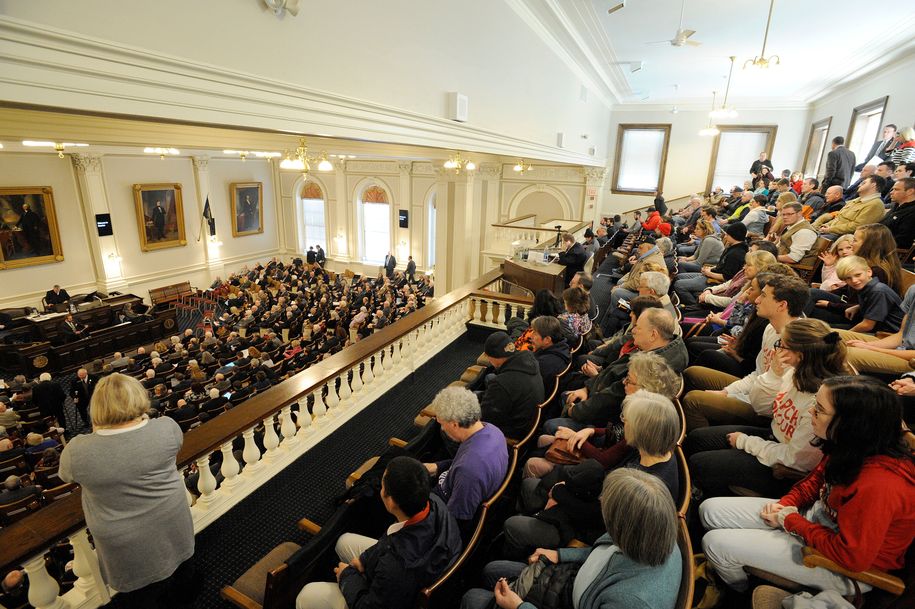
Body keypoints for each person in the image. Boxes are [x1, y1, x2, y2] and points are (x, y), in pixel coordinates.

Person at [699, 376, 915, 596]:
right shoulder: (852, 446)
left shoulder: (881, 485)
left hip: (842, 567)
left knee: (715, 544)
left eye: (819, 409)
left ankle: (735, 593)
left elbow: (852, 557)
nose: (810, 412)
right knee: (709, 511)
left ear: (851, 422)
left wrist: (790, 520)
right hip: (817, 522)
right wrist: (787, 504)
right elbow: (816, 481)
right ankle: (740, 565)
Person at [59, 373, 197, 608]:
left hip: (122, 537)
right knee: (182, 576)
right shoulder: (167, 427)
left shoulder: (77, 451)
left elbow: (66, 475)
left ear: (97, 406)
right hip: (172, 515)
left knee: (140, 597)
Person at [461, 468, 682, 609]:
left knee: (472, 599)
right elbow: (602, 553)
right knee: (492, 570)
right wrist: (560, 554)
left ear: (622, 525)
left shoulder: (629, 602)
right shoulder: (651, 532)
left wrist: (519, 607)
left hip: (568, 597)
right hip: (573, 579)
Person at [685, 319, 848, 498]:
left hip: (786, 468)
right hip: (773, 437)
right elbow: (760, 407)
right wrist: (773, 374)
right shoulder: (794, 371)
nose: (778, 350)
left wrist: (745, 442)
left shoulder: (820, 402)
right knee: (697, 439)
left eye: (782, 345)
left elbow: (795, 460)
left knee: (699, 464)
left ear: (800, 354)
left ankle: (706, 499)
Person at [295, 456, 462, 609]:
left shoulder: (395, 567)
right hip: (418, 569)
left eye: (382, 485)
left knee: (307, 595)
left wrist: (347, 577)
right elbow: (391, 540)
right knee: (343, 542)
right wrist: (365, 560)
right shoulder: (434, 502)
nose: (380, 488)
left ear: (391, 502)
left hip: (395, 591)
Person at [683, 274, 807, 431]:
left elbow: (771, 402)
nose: (756, 300)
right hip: (755, 391)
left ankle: (696, 436)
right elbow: (757, 374)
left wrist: (732, 396)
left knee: (694, 400)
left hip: (767, 412)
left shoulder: (797, 345)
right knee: (692, 373)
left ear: (782, 305)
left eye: (763, 295)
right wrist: (727, 392)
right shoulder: (770, 328)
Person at [424, 387, 508, 537]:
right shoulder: (493, 430)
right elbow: (461, 463)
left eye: (442, 424)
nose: (442, 429)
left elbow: (456, 521)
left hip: (437, 508)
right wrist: (438, 466)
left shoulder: (469, 472)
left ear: (454, 424)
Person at [478, 332, 544, 441]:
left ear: (495, 357)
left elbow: (485, 417)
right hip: (528, 423)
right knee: (483, 386)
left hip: (512, 434)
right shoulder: (530, 360)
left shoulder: (502, 383)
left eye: (488, 357)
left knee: (450, 426)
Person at [673, 223, 749, 307]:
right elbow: (721, 266)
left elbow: (726, 277)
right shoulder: (732, 248)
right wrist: (710, 269)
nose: (725, 237)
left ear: (734, 236)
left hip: (714, 280)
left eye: (727, 234)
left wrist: (708, 273)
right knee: (678, 277)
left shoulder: (736, 254)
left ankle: (694, 306)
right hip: (711, 274)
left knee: (679, 285)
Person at [816, 175, 887, 239]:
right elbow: (838, 218)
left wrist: (830, 229)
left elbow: (857, 227)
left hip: (844, 238)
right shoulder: (856, 200)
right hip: (830, 232)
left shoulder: (876, 204)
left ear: (873, 185)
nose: (859, 185)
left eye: (863, 183)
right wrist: (826, 225)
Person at [528, 316, 571, 390]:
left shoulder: (543, 363)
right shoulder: (562, 348)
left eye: (535, 333)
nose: (531, 336)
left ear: (547, 339)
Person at [882, 176, 915, 250]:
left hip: (888, 251)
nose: (891, 192)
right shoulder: (896, 206)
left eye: (896, 189)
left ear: (910, 191)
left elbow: (902, 241)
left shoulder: (912, 213)